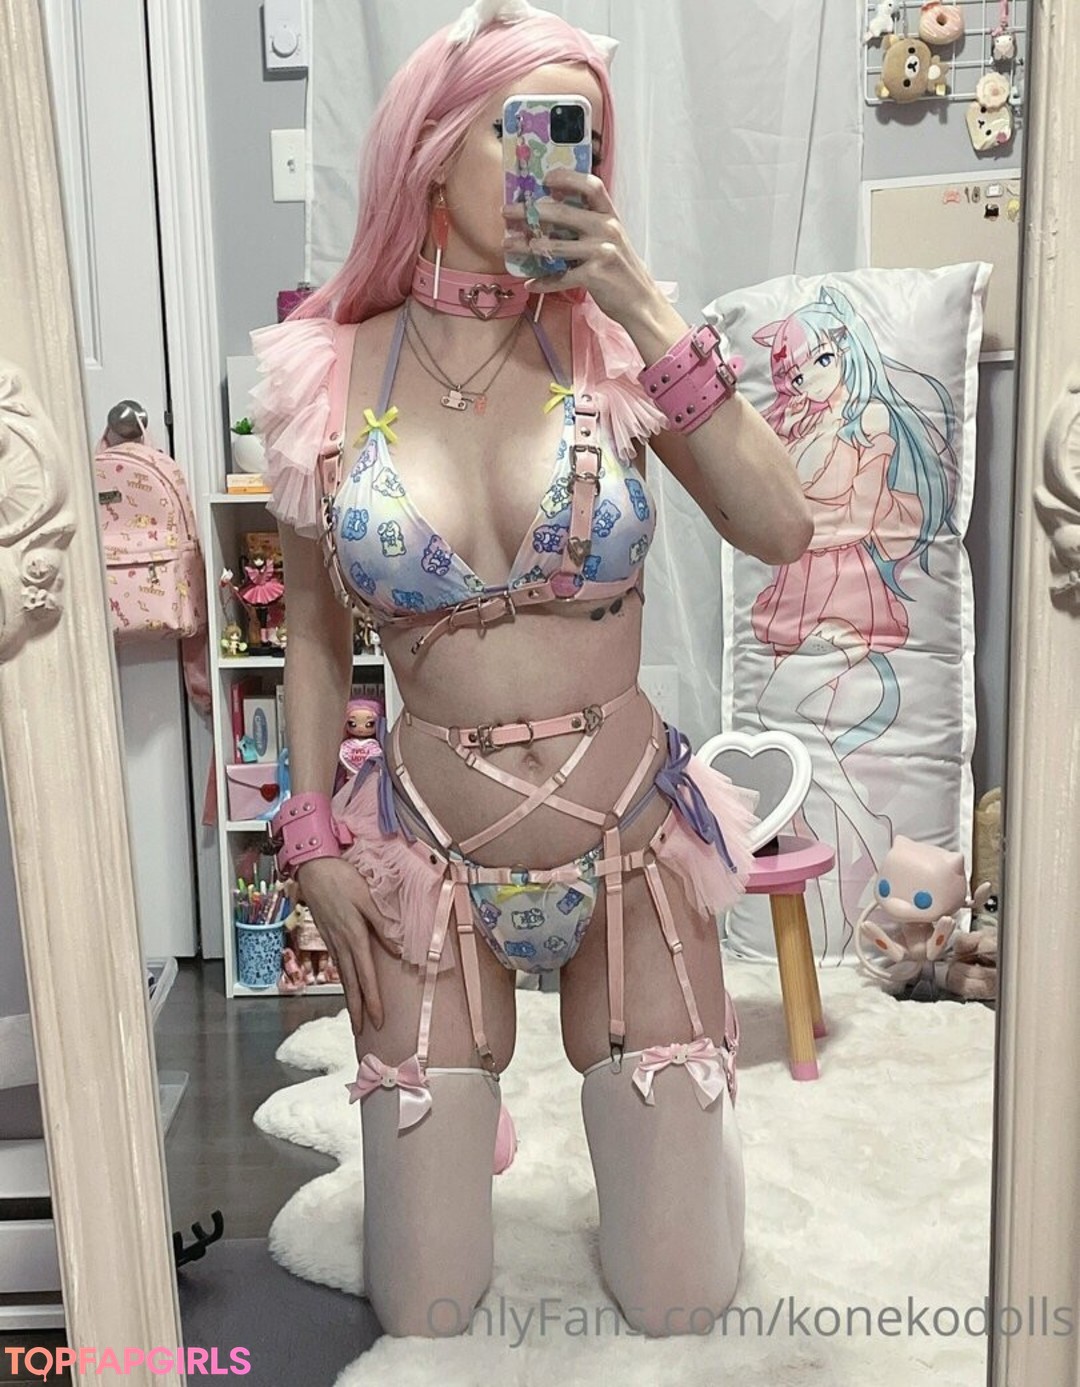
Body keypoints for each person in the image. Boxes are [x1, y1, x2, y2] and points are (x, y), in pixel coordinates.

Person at [251, 0, 811, 1340]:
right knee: (427, 1308)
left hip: (634, 850)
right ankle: (482, 1127)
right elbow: (314, 636)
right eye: (526, 131)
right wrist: (310, 837)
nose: (563, 165)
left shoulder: (617, 348)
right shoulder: (325, 373)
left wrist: (642, 300)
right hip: (428, 860)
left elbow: (783, 528)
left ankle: (659, 1147)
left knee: (681, 1302)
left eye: (587, 141)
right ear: (435, 150)